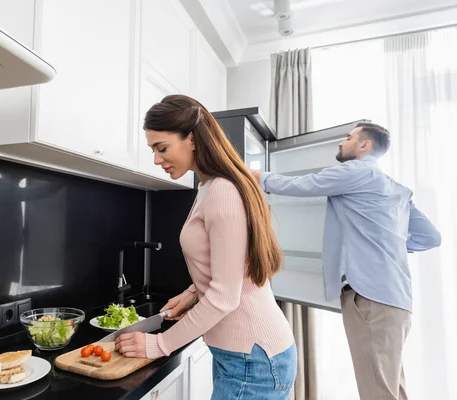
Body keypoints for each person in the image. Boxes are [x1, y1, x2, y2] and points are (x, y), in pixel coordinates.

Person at [114, 94, 297, 399]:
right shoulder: (208, 186)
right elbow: (232, 269)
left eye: (162, 148)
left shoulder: (222, 192)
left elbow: (225, 297)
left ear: (193, 139)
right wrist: (190, 294)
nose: (156, 159)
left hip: (253, 360)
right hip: (245, 356)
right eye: (153, 150)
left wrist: (158, 346)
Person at [252, 122, 441, 400]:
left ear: (365, 145)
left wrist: (257, 176)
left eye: (349, 137)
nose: (341, 143)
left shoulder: (356, 172)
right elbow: (431, 237)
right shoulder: (397, 189)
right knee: (391, 388)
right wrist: (390, 243)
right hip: (398, 303)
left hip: (371, 300)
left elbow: (301, 185)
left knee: (378, 392)